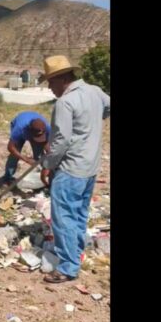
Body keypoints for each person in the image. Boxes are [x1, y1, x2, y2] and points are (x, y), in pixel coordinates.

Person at [38, 55, 110, 283]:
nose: (50, 88)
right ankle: (75, 255)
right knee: (79, 215)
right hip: (90, 168)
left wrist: (47, 165)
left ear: (62, 78)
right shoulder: (96, 92)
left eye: (50, 82)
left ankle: (68, 267)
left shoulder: (65, 103)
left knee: (64, 218)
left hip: (70, 170)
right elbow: (107, 109)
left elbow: (60, 142)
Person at [0, 111, 51, 186]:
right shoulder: (20, 128)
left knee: (40, 156)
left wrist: (48, 160)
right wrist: (26, 159)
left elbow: (47, 143)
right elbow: (10, 147)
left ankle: (47, 177)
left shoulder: (47, 128)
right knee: (14, 155)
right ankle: (7, 178)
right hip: (21, 129)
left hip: (33, 129)